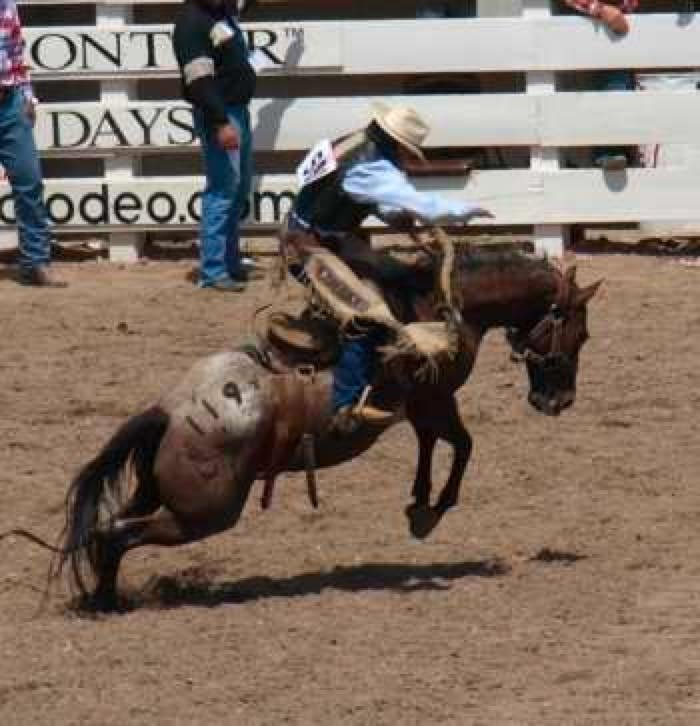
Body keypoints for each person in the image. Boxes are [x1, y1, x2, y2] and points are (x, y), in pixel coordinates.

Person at [280, 103, 493, 427]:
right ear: (398, 143)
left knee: (401, 275)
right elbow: (426, 205)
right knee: (368, 315)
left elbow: (355, 192)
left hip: (320, 236)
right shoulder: (373, 167)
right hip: (308, 251)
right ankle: (345, 403)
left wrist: (394, 216)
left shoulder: (351, 144)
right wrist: (467, 211)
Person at [173, 0, 258, 291]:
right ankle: (214, 271)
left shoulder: (218, 10)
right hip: (221, 114)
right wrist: (221, 122)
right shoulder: (192, 23)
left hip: (236, 111)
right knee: (223, 190)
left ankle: (229, 264)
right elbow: (199, 83)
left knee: (237, 189)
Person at [0, 0, 66, 287]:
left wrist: (28, 95)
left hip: (10, 99)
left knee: (29, 182)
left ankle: (35, 262)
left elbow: (16, 50)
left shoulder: (7, 5)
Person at [564, 1, 639, 170]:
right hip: (593, 23)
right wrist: (598, 8)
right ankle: (609, 151)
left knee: (620, 84)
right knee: (615, 81)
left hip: (619, 23)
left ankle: (615, 151)